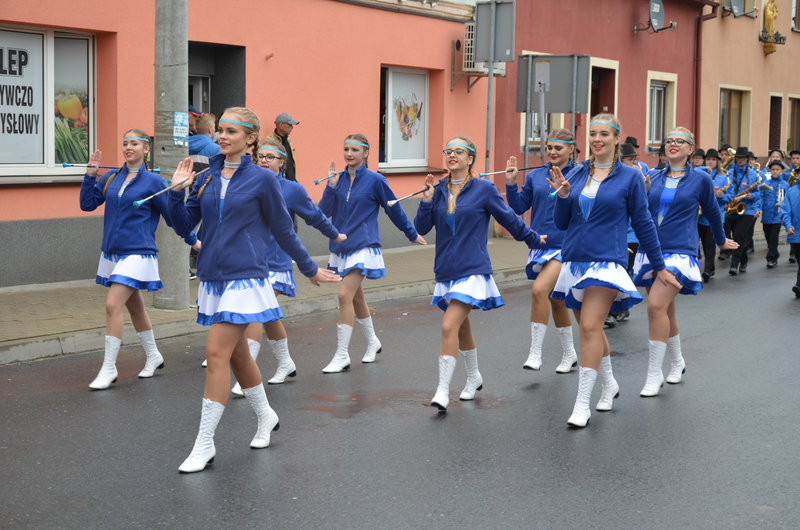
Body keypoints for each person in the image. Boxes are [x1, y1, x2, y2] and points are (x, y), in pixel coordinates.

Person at [167, 107, 340, 473]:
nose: (223, 137)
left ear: (250, 139)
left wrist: (309, 269)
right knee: (237, 356)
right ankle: (265, 415)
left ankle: (204, 443)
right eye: (221, 131)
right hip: (214, 277)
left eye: (232, 131)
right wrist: (175, 195)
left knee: (216, 353)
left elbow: (283, 229)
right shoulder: (206, 177)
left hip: (246, 277)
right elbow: (185, 227)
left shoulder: (262, 179)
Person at [547, 113, 678, 428]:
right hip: (575, 260)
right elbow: (563, 223)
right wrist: (563, 196)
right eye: (592, 134)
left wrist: (658, 266)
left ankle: (582, 405)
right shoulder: (576, 173)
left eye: (604, 134)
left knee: (591, 326)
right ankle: (608, 383)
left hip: (607, 262)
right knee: (589, 329)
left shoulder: (630, 177)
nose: (597, 139)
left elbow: (644, 222)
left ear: (617, 139)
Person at [415, 136, 546, 412]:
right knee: (461, 327)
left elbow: (509, 218)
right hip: (446, 269)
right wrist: (426, 201)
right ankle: (474, 377)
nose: (452, 155)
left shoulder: (484, 188)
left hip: (473, 268)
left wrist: (535, 239)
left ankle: (442, 390)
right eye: (448, 151)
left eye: (458, 151)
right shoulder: (438, 189)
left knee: (449, 325)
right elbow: (422, 228)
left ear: (470, 158)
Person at [79, 130, 198, 390]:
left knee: (113, 305)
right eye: (125, 143)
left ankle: (109, 368)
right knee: (135, 307)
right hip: (112, 252)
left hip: (138, 252)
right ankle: (154, 355)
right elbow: (87, 205)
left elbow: (173, 217)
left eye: (134, 143)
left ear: (146, 149)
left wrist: (193, 241)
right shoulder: (111, 177)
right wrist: (90, 176)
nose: (128, 147)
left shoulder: (154, 182)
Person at [227, 138, 347, 393]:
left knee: (255, 314)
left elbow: (314, 215)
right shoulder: (245, 183)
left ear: (282, 162)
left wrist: (335, 234)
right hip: (249, 261)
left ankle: (247, 376)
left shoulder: (291, 189)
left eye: (270, 157)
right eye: (261, 156)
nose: (264, 161)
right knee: (268, 316)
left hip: (276, 262)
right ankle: (285, 363)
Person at [632, 127, 737, 397]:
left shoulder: (700, 179)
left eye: (680, 141)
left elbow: (713, 211)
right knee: (666, 311)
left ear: (691, 149)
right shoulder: (652, 177)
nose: (673, 144)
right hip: (651, 250)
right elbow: (639, 214)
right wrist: (641, 192)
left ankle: (654, 374)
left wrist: (721, 239)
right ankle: (677, 361)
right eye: (669, 141)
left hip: (680, 252)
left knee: (655, 306)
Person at [319, 134, 426, 373]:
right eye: (346, 149)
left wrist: (411, 233)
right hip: (341, 247)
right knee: (356, 297)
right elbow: (322, 212)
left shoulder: (376, 180)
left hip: (365, 245)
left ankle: (342, 354)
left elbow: (394, 210)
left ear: (366, 153)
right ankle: (373, 341)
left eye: (355, 149)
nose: (349, 154)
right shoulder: (338, 179)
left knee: (344, 295)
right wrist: (331, 186)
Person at [505, 129, 579, 373]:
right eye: (549, 148)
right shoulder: (536, 175)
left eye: (558, 148)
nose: (553, 152)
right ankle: (569, 354)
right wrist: (511, 182)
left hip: (566, 245)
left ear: (571, 149)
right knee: (555, 301)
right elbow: (518, 206)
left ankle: (535, 353)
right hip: (540, 244)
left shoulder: (579, 175)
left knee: (539, 290)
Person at [698, 149, 732, 281]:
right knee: (702, 243)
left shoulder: (724, 178)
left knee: (710, 244)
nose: (710, 162)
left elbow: (730, 196)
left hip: (714, 217)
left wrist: (722, 196)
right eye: (708, 159)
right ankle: (707, 268)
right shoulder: (700, 176)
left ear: (717, 162)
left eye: (713, 160)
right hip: (700, 217)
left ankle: (708, 270)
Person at [726, 146, 762, 275]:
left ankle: (734, 265)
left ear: (747, 159)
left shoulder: (753, 175)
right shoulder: (729, 173)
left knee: (739, 236)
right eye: (738, 158)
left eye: (743, 158)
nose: (740, 160)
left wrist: (750, 196)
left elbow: (758, 194)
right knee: (730, 236)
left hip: (746, 210)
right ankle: (744, 259)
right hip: (731, 208)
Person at [759, 160, 789, 268]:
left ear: (781, 171)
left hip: (778, 215)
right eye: (773, 169)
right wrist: (759, 208)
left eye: (777, 169)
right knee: (768, 236)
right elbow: (760, 197)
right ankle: (775, 253)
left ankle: (770, 258)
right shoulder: (765, 183)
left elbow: (787, 199)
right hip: (767, 215)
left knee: (773, 237)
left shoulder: (785, 185)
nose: (775, 171)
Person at [780, 177, 800, 297]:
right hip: (796, 233)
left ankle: (798, 285)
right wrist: (788, 225)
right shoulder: (791, 191)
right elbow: (785, 211)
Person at [266, 113, 299, 182]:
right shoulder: (270, 142)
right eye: (289, 125)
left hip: (291, 182)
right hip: (278, 183)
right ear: (281, 125)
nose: (292, 127)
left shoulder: (288, 140)